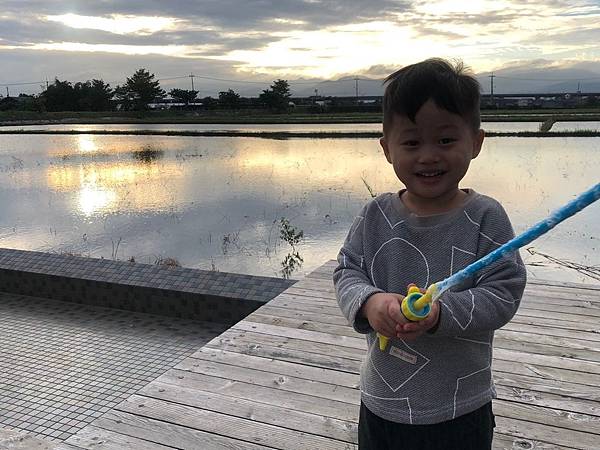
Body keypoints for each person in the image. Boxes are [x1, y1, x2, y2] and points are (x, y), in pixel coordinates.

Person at [333, 58, 527, 450]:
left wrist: (440, 313)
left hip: (458, 408)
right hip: (382, 400)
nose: (428, 156)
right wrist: (370, 303)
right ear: (387, 149)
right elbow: (346, 271)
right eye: (411, 142)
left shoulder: (485, 217)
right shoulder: (375, 215)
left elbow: (503, 293)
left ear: (475, 142)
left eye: (445, 140)